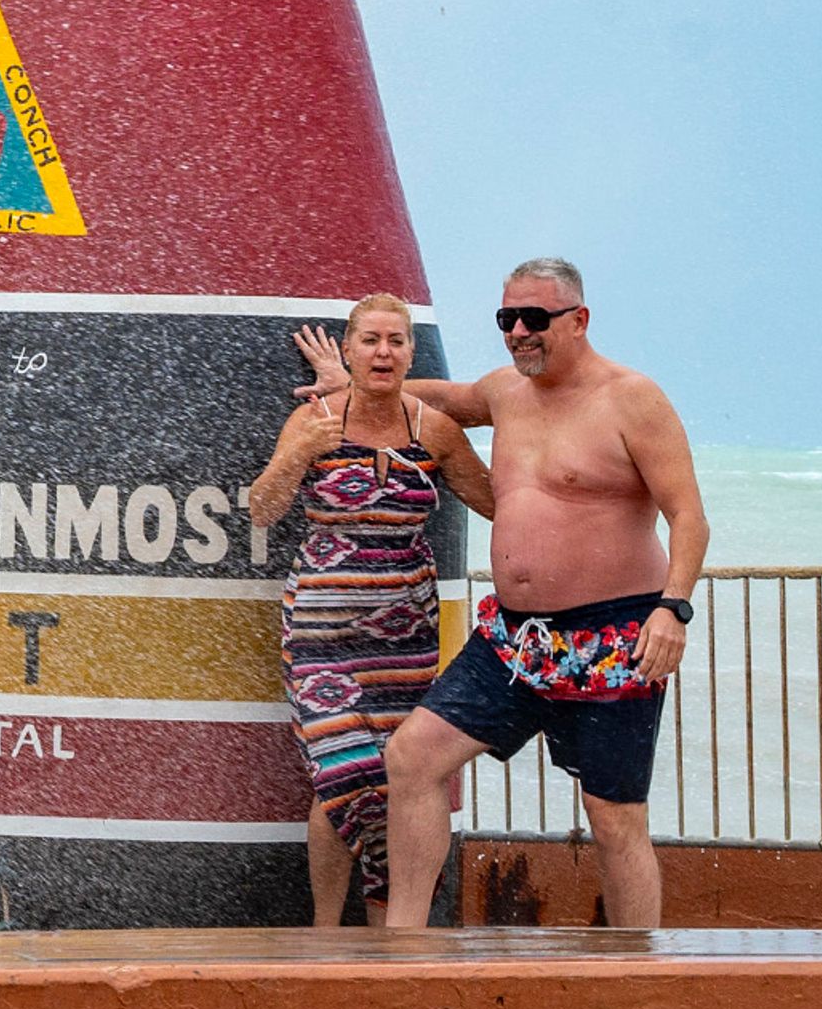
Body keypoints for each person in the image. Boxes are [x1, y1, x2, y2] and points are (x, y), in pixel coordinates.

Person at [306, 259, 709, 928]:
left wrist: (674, 608)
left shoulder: (631, 398)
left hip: (612, 635)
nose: (518, 332)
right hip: (515, 637)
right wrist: (353, 382)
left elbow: (688, 514)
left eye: (535, 319)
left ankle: (635, 969)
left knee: (613, 817)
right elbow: (436, 397)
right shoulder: (504, 391)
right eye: (506, 319)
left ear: (579, 320)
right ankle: (405, 944)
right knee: (411, 756)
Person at [248, 295, 494, 924]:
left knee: (399, 781)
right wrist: (297, 454)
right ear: (350, 349)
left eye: (396, 341)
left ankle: (389, 927)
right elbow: (262, 509)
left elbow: (498, 502)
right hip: (321, 633)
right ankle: (327, 929)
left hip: (405, 637)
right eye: (370, 341)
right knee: (343, 775)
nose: (384, 352)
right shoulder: (314, 420)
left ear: (411, 353)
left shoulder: (433, 430)